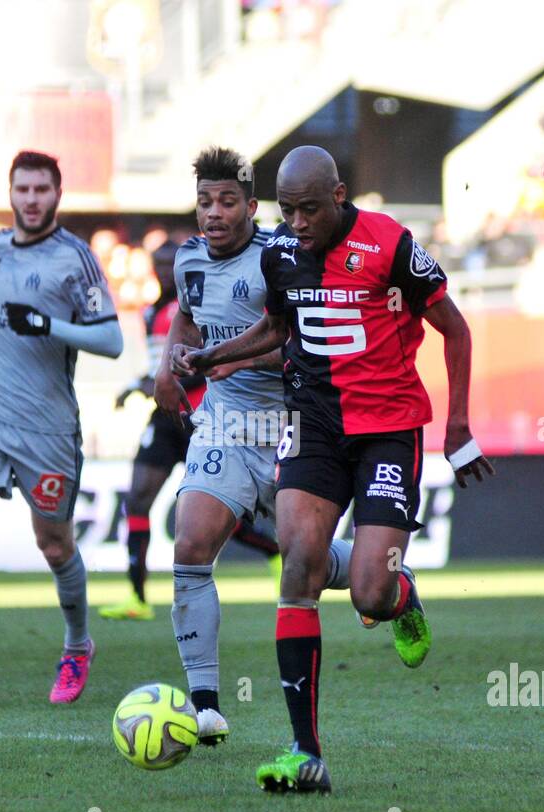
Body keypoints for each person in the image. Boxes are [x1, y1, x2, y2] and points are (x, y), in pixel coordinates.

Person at [174, 145, 494, 792]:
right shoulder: (281, 255)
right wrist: (214, 358)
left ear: (340, 195)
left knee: (370, 590)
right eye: (287, 210)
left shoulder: (391, 245)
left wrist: (458, 427)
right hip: (313, 426)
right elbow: (277, 328)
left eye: (309, 209)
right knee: (300, 563)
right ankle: (304, 751)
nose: (296, 222)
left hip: (386, 429)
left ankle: (400, 598)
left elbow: (453, 329)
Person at [154, 146, 354, 745]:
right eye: (204, 202)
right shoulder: (188, 260)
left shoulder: (280, 257)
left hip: (292, 426)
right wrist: (171, 365)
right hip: (225, 425)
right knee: (190, 545)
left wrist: (224, 356)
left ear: (252, 206)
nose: (213, 214)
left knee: (307, 561)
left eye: (226, 201)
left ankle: (386, 575)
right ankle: (206, 704)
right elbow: (187, 319)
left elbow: (298, 339)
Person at [0, 151, 122, 704]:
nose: (32, 199)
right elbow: (4, 314)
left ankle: (77, 646)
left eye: (43, 189)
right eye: (23, 189)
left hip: (46, 428)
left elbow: (110, 340)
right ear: (11, 193)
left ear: (58, 195)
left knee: (55, 544)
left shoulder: (77, 260)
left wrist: (50, 325)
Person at [100, 240, 281, 622]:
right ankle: (137, 596)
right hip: (165, 415)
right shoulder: (151, 312)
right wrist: (137, 385)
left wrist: (180, 373)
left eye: (170, 262)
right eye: (159, 263)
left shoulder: (196, 304)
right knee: (137, 498)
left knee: (217, 513)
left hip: (202, 412)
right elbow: (158, 364)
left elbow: (208, 357)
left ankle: (273, 552)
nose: (166, 270)